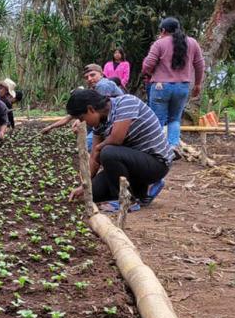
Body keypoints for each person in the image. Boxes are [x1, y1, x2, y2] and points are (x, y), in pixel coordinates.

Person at [66, 89, 172, 207]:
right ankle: (143, 192)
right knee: (90, 194)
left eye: (81, 118)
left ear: (91, 109)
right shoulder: (99, 125)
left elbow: (116, 139)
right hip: (132, 166)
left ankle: (126, 201)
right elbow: (94, 160)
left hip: (156, 163)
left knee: (107, 152)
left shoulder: (126, 102)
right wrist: (84, 186)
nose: (82, 122)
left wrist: (97, 149)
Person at [141, 17, 205, 151]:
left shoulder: (159, 43)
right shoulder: (192, 43)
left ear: (163, 30)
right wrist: (197, 84)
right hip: (182, 86)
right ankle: (173, 147)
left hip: (160, 86)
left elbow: (147, 65)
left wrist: (150, 73)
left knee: (157, 119)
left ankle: (156, 148)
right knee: (174, 119)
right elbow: (199, 65)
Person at [41, 65, 123, 135]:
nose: (89, 79)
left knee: (90, 142)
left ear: (101, 74)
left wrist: (80, 120)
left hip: (117, 121)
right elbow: (70, 116)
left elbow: (97, 112)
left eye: (92, 75)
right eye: (86, 77)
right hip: (108, 121)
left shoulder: (102, 85)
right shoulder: (93, 89)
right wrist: (51, 127)